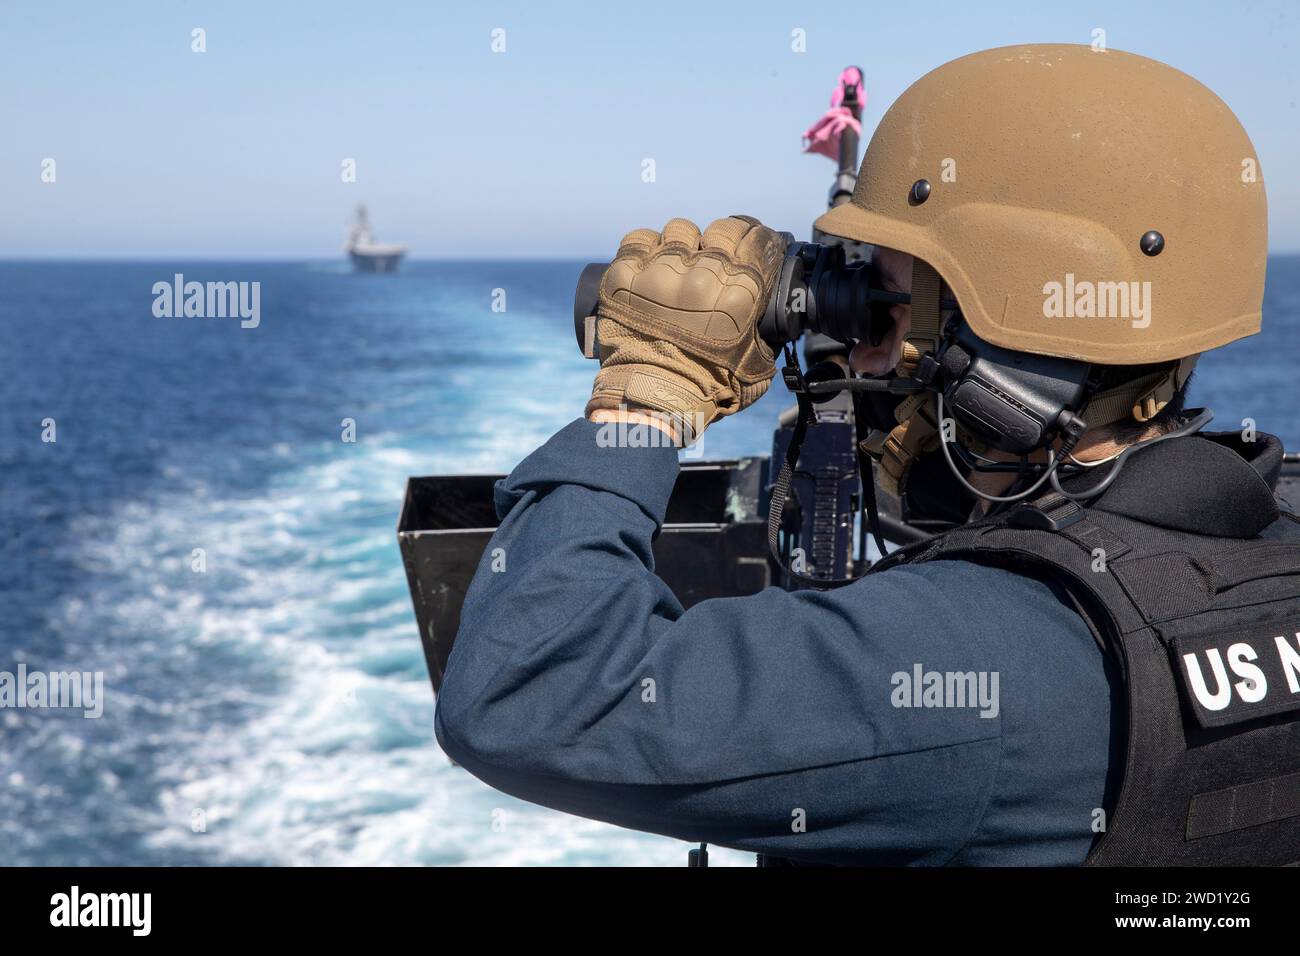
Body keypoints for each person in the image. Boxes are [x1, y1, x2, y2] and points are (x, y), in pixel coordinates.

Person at [434, 44, 1300, 866]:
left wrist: (645, 397)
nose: (863, 354)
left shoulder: (974, 659)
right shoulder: (1272, 530)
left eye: (886, 310)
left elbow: (531, 694)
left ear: (1006, 347)